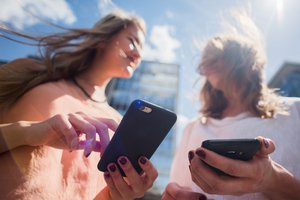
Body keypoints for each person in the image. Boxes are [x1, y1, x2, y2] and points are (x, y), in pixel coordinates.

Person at [0, 10, 158, 200]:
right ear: (103, 39)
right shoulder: (32, 72)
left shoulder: (118, 122)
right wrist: (29, 132)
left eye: (142, 48)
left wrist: (120, 194)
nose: (138, 53)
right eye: (132, 40)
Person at [163, 34, 300, 200]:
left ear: (243, 58)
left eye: (213, 59)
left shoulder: (295, 111)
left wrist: (273, 180)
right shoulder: (193, 128)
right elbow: (175, 189)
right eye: (203, 64)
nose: (204, 68)